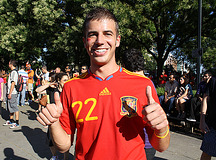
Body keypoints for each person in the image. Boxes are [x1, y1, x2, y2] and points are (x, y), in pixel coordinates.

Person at [37, 7, 170, 160]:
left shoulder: (143, 84)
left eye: (107, 34)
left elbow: (161, 146)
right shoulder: (71, 86)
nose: (100, 41)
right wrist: (53, 123)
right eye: (93, 35)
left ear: (117, 40)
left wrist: (162, 128)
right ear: (84, 41)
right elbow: (64, 145)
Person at [122, 48, 156, 160]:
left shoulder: (126, 84)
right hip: (149, 143)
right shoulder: (149, 83)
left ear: (123, 65)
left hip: (133, 144)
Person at [36, 72, 69, 160]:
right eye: (64, 80)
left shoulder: (69, 91)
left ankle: (66, 158)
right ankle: (54, 156)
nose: (67, 82)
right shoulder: (52, 90)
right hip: (54, 119)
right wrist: (49, 84)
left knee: (66, 140)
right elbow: (38, 91)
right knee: (51, 140)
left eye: (67, 80)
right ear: (59, 81)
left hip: (65, 119)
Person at [199, 77, 216, 160]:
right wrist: (202, 120)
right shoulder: (214, 80)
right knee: (206, 152)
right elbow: (205, 98)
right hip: (212, 124)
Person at [3, 60, 20, 129]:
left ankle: (17, 122)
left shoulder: (14, 72)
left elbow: (13, 83)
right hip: (11, 92)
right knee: (10, 107)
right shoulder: (13, 72)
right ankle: (11, 120)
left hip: (13, 93)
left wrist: (10, 93)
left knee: (14, 107)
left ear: (10, 64)